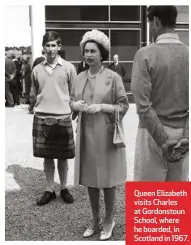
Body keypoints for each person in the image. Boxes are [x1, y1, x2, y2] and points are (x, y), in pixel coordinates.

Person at [70, 29, 128, 240]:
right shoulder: (78, 78)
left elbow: (123, 105)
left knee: (108, 178)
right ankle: (95, 217)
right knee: (90, 178)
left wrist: (103, 106)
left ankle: (109, 218)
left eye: (93, 51)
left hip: (106, 134)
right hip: (85, 134)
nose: (89, 55)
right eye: (86, 51)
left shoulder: (113, 77)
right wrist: (74, 105)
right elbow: (71, 101)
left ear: (102, 53)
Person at [131, 6, 189, 181]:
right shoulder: (189, 53)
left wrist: (162, 140)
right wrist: (187, 134)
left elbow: (142, 104)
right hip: (182, 131)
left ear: (155, 21)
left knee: (148, 195)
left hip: (152, 132)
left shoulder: (145, 54)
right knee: (176, 196)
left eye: (150, 23)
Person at [31, 31, 77, 206]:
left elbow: (73, 94)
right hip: (42, 116)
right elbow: (35, 93)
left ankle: (64, 188)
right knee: (47, 156)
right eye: (48, 45)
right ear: (43, 47)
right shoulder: (36, 69)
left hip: (63, 117)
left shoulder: (69, 68)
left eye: (54, 45)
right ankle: (49, 189)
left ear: (59, 46)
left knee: (62, 156)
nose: (50, 49)